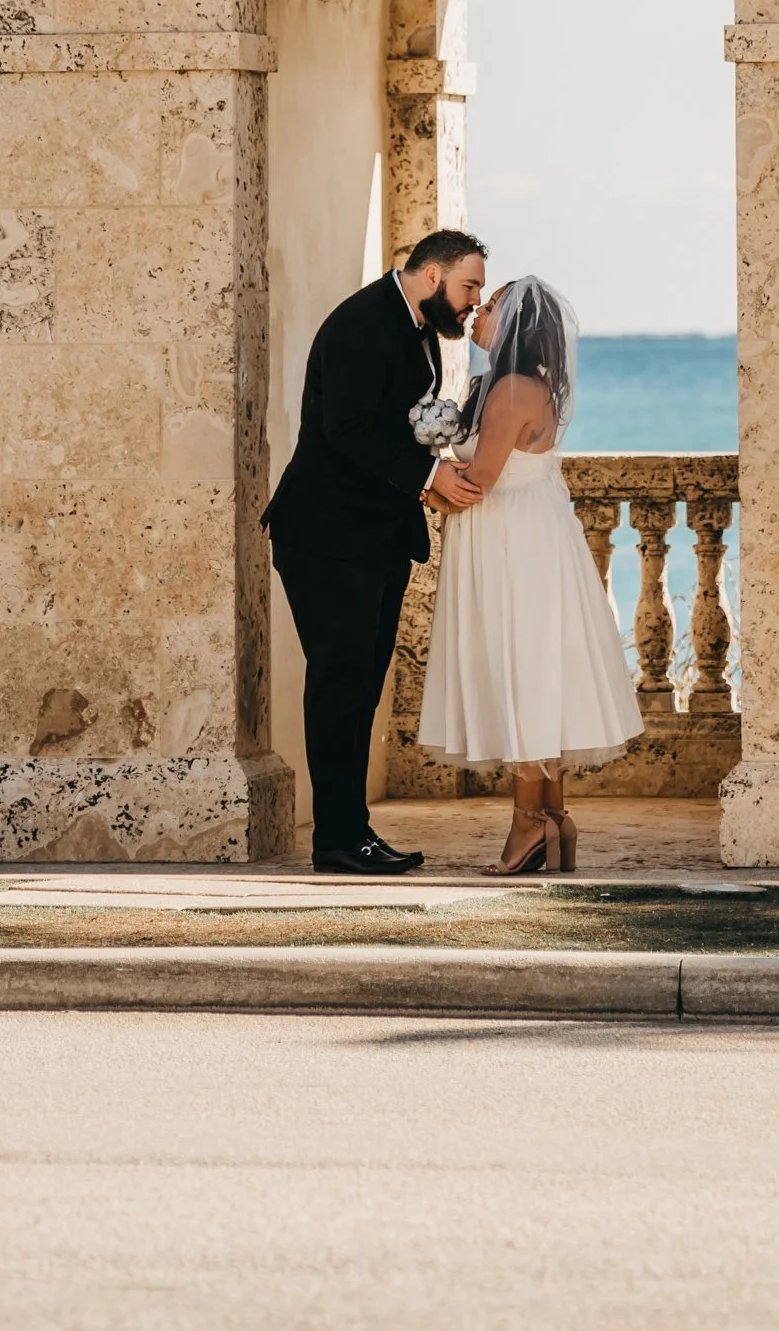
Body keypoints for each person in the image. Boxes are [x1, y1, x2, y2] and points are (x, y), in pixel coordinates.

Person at [264, 229, 489, 875]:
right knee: (340, 683)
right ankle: (338, 839)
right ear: (430, 274)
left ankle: (351, 828)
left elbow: (391, 425)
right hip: (328, 535)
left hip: (373, 536)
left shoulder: (410, 321)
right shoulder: (364, 321)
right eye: (468, 284)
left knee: (359, 687)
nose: (473, 300)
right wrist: (428, 476)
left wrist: (430, 467)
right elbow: (348, 427)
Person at [417, 274, 642, 874]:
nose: (477, 314)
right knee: (536, 671)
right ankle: (553, 818)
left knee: (520, 671)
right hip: (528, 533)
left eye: (488, 307)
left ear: (514, 325)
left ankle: (527, 825)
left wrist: (421, 480)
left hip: (510, 542)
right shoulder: (515, 383)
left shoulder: (512, 390)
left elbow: (477, 485)